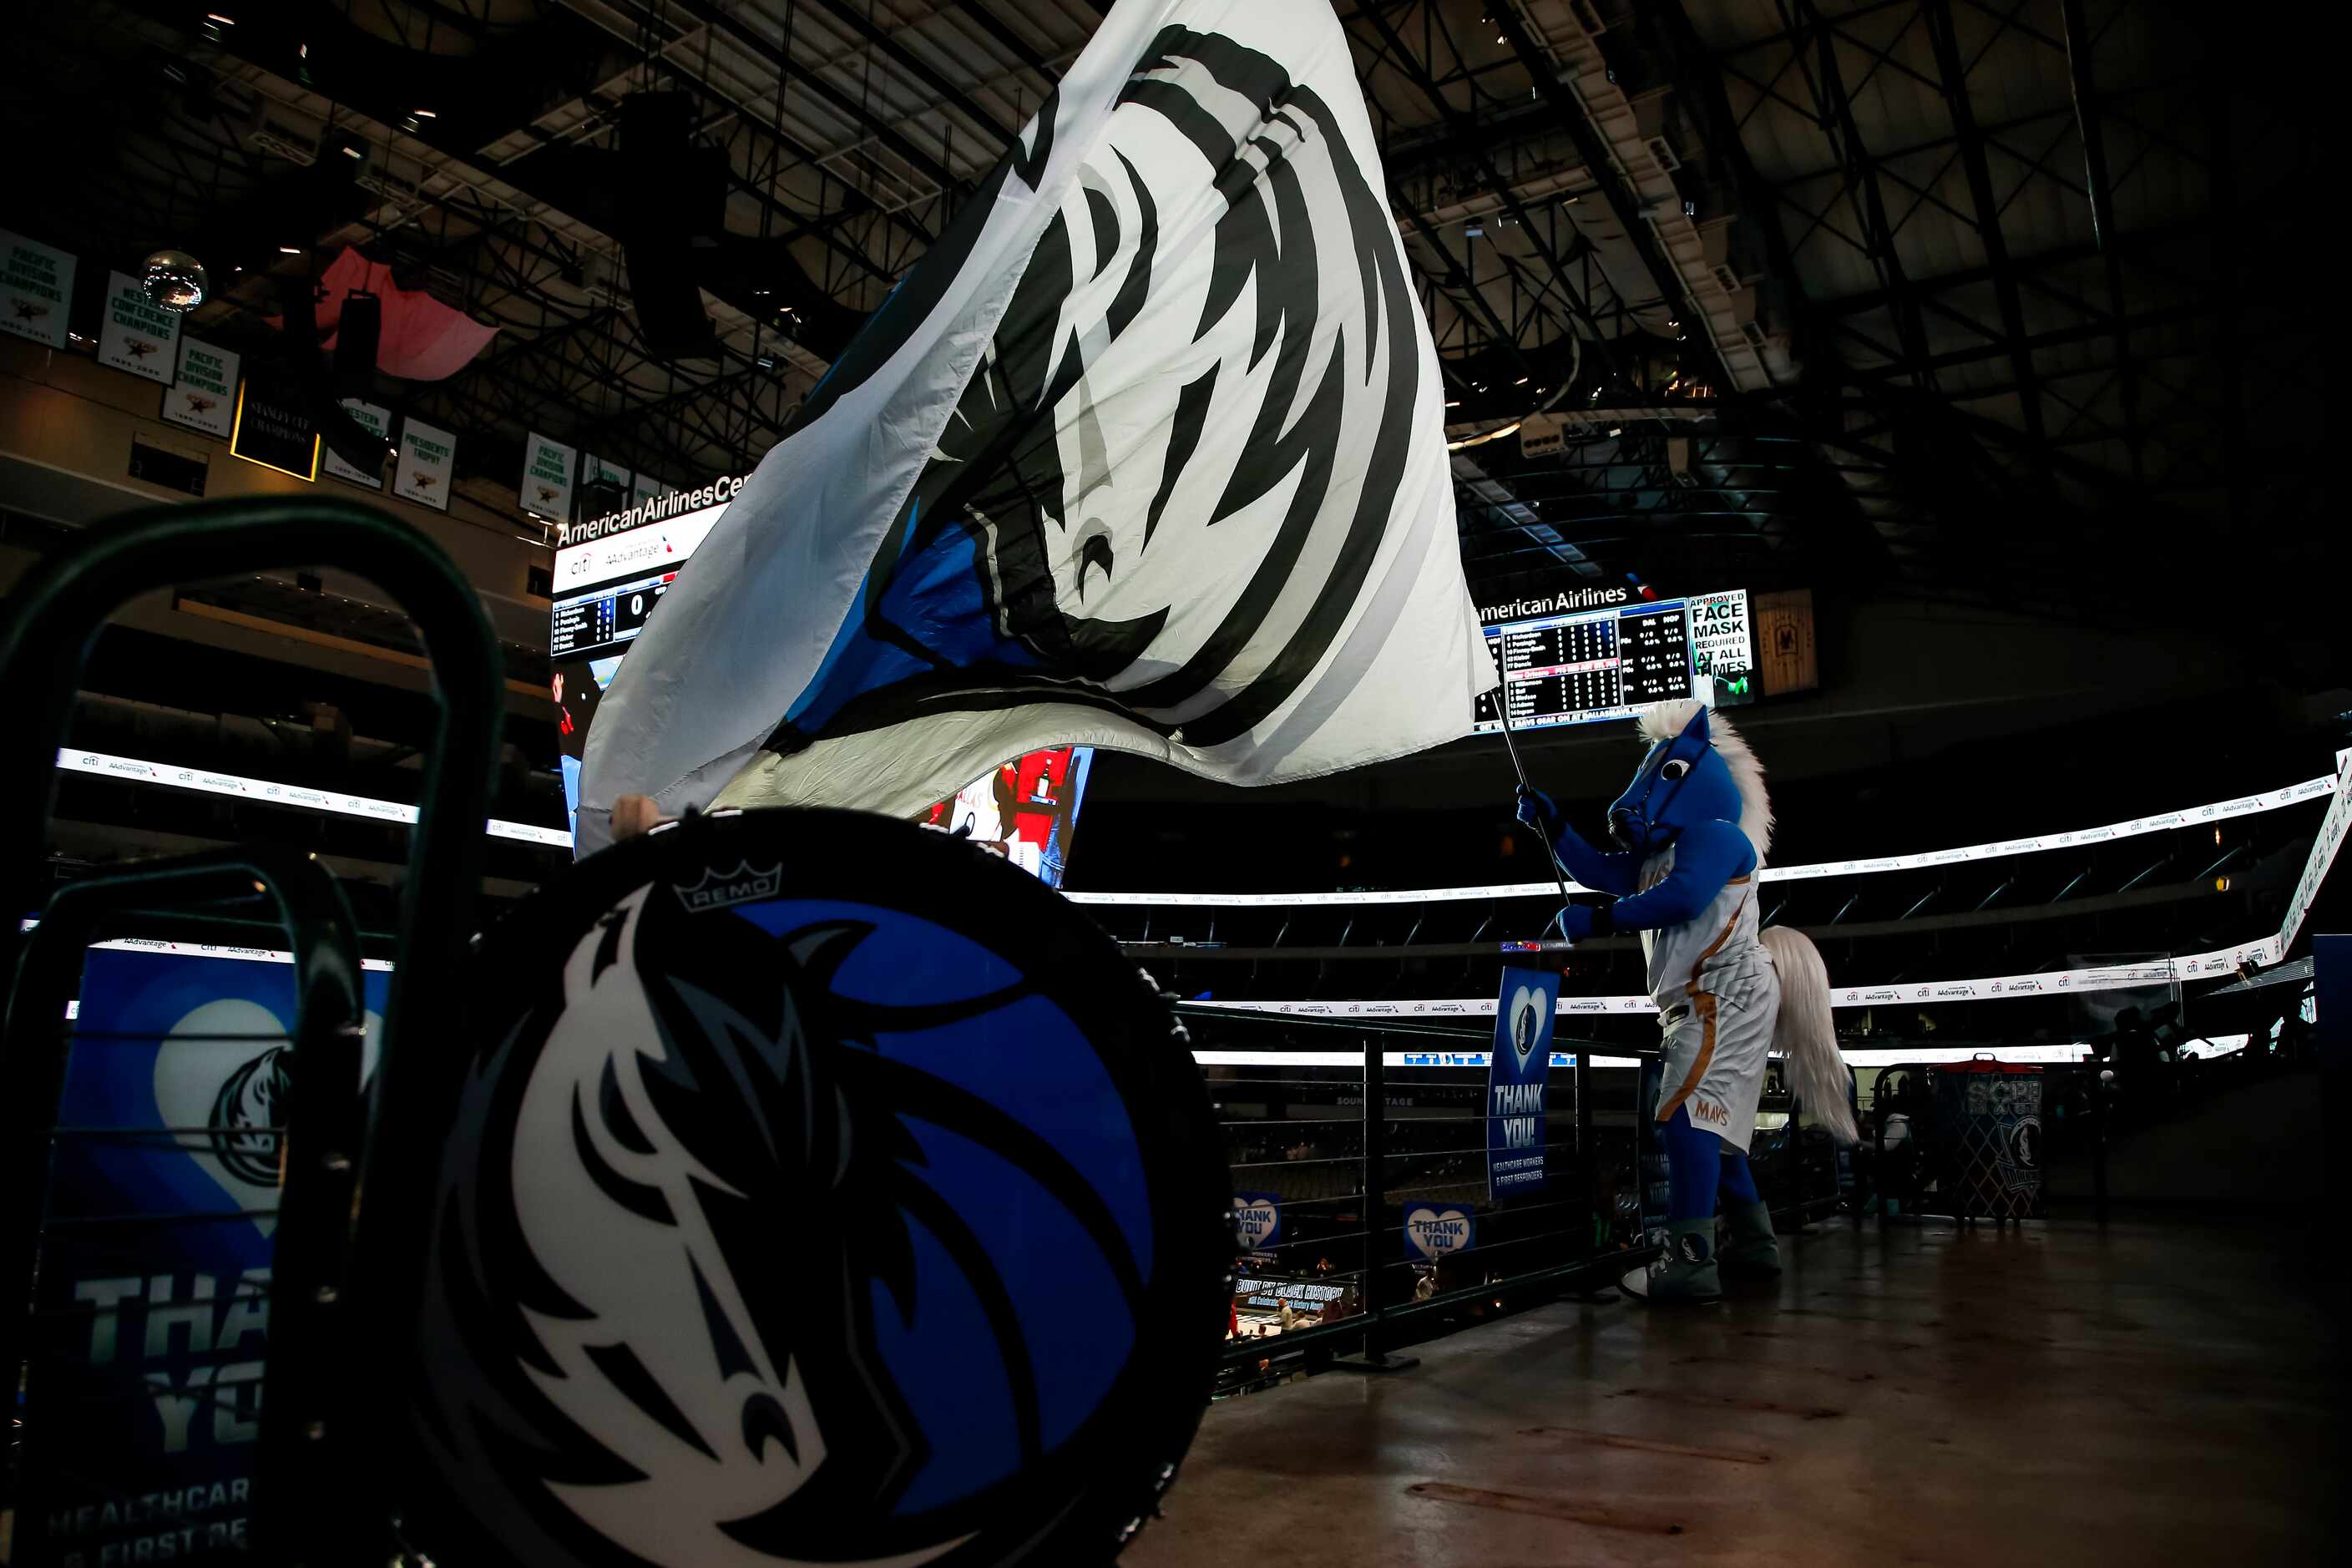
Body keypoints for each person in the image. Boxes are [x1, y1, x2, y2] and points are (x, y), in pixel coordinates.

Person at [1516, 701, 1857, 1303]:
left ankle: (1688, 1265)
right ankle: (1755, 1248)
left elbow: (1683, 898)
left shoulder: (1717, 837)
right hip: (1708, 999)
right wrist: (1556, 830)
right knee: (1718, 1139)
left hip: (1717, 995)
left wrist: (1598, 920)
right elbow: (1601, 869)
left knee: (1683, 1122)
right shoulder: (1663, 853)